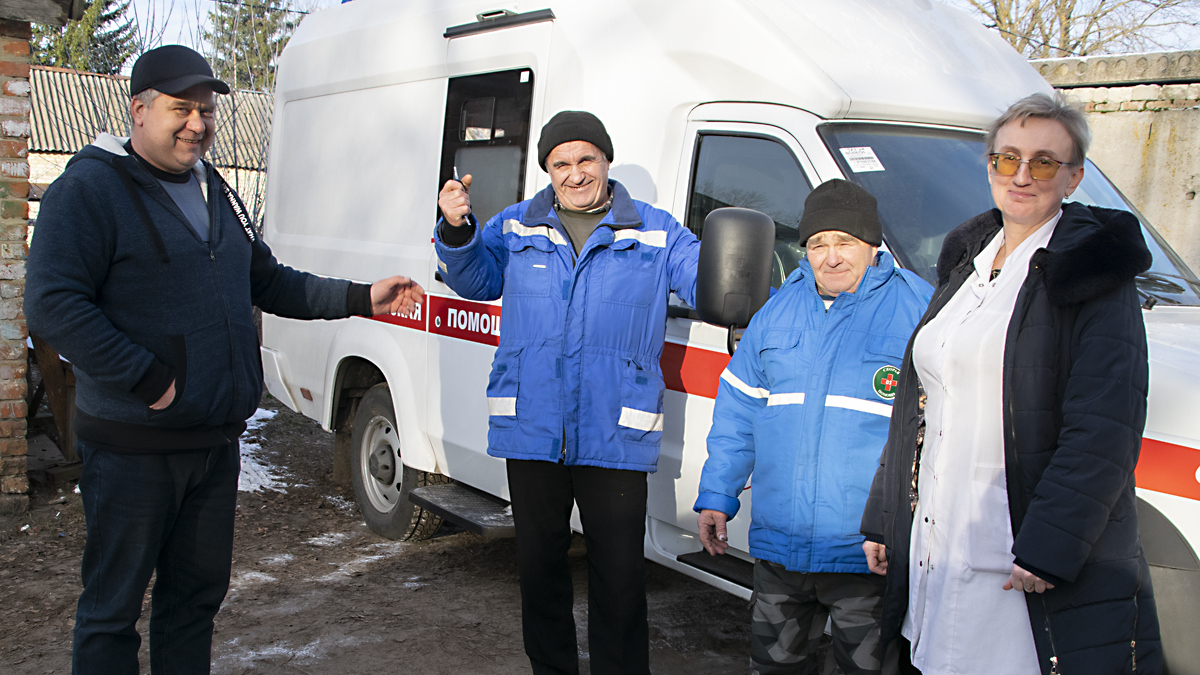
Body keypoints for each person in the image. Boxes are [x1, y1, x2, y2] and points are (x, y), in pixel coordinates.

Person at [24, 45, 423, 675]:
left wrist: (360, 298)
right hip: (134, 444)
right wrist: (148, 379)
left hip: (212, 443)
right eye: (181, 108)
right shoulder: (90, 189)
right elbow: (52, 304)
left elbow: (267, 282)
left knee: (193, 602)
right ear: (140, 109)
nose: (197, 124)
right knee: (111, 611)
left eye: (206, 111)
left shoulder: (215, 189)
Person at [859, 92, 1163, 674]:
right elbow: (918, 407)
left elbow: (1105, 426)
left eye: (1044, 162)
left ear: (1073, 178)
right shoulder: (966, 263)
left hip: (1017, 546)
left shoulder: (1093, 272)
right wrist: (885, 514)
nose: (1023, 175)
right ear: (990, 166)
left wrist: (1051, 544)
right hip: (937, 535)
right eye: (1007, 159)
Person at [435, 110, 700, 675]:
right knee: (540, 571)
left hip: (615, 430)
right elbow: (475, 279)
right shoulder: (515, 225)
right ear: (547, 170)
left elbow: (711, 276)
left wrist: (757, 272)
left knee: (621, 578)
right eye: (561, 163)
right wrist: (456, 230)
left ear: (605, 160)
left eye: (586, 159)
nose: (575, 174)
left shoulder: (655, 231)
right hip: (532, 429)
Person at [694, 180, 930, 675]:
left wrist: (898, 523)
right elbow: (737, 414)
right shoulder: (776, 312)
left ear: (872, 244)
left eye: (845, 241)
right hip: (781, 549)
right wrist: (718, 495)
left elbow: (934, 434)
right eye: (818, 243)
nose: (831, 256)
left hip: (866, 554)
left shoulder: (917, 311)